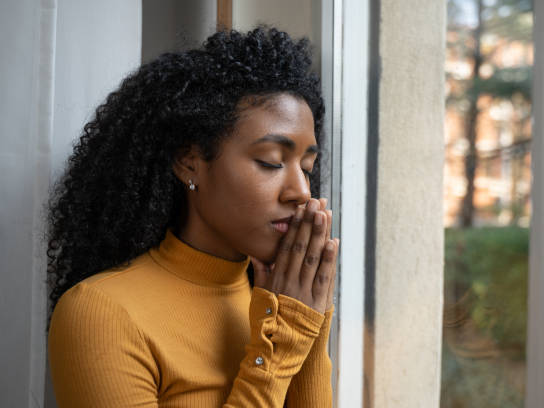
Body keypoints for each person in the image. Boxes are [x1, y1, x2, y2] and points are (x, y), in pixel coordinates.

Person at [45, 27, 339, 407]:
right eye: (270, 162)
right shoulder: (103, 313)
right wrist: (278, 349)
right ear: (190, 162)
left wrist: (308, 321)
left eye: (307, 167)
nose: (301, 191)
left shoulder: (281, 304)